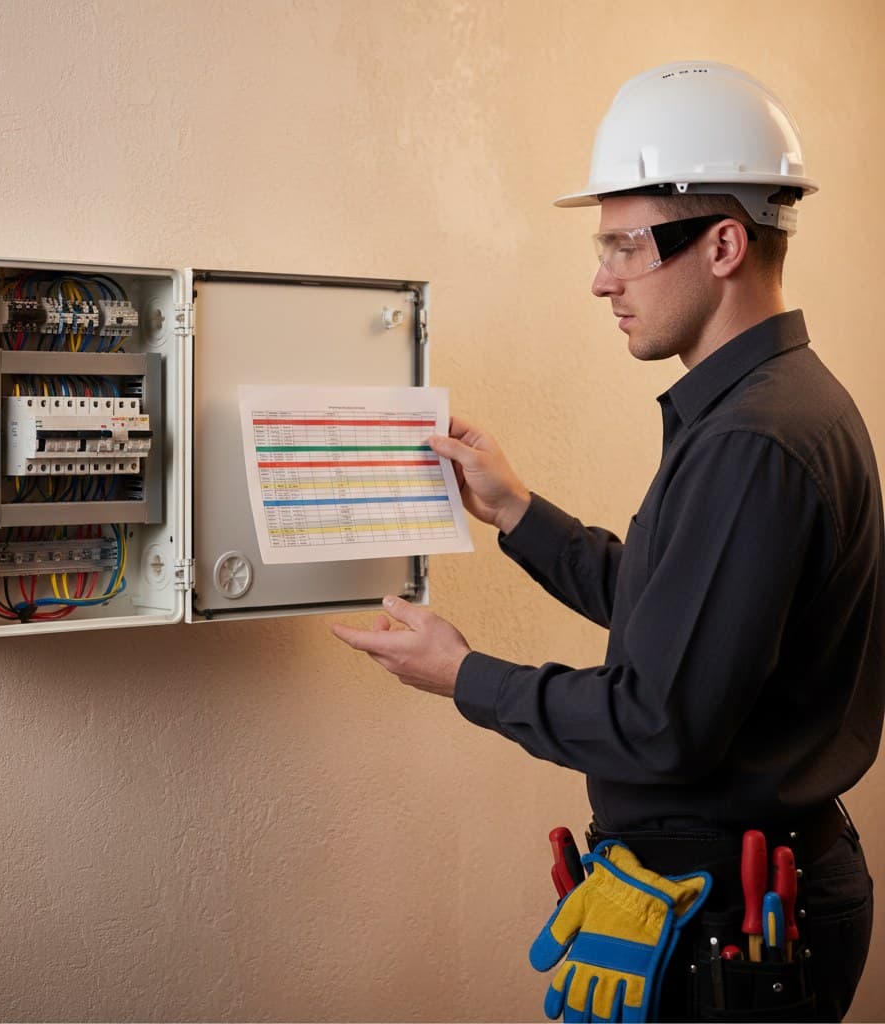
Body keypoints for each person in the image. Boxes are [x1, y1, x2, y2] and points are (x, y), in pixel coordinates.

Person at [332, 61, 884, 1022]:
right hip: (725, 890)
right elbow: (690, 617)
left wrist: (464, 675)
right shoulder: (769, 407)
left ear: (722, 244)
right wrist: (517, 512)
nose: (601, 280)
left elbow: (658, 722)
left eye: (626, 246)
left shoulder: (756, 439)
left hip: (734, 916)